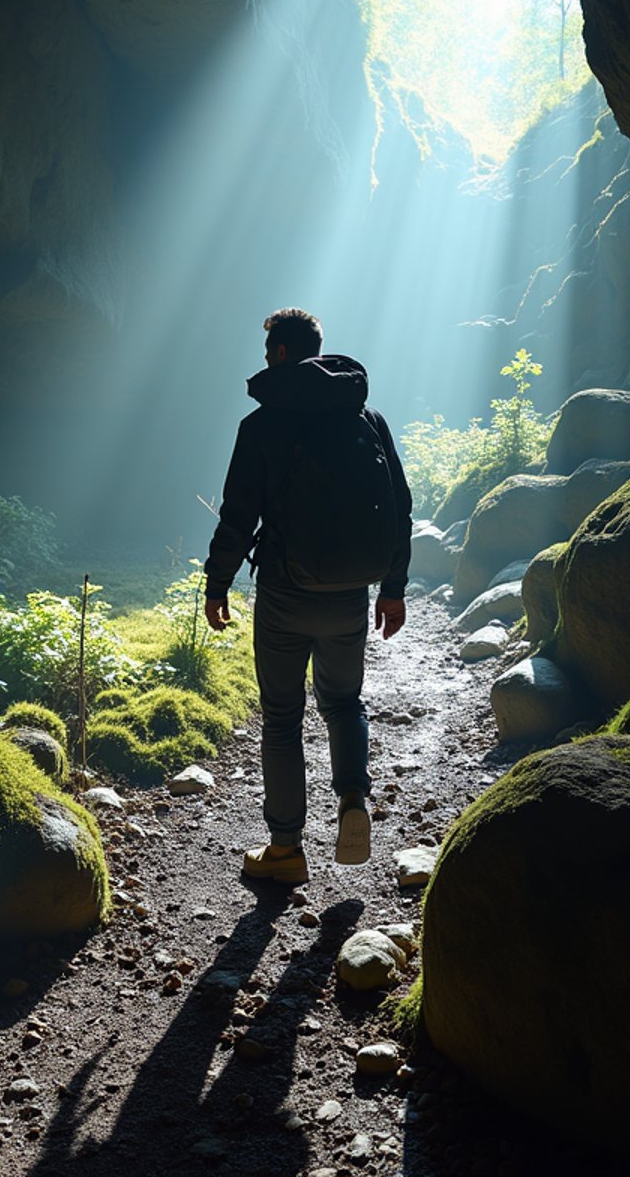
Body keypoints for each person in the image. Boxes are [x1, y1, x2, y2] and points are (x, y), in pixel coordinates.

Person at [204, 307, 412, 885]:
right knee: (344, 705)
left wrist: (216, 583)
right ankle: (352, 801)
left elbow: (238, 517)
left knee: (281, 716)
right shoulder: (365, 417)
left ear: (278, 354)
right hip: (349, 596)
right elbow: (400, 506)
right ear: (320, 351)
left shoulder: (261, 425)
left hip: (284, 595)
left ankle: (286, 849)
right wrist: (392, 589)